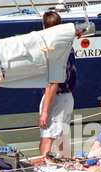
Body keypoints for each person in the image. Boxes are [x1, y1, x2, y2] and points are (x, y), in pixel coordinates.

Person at [38, 11, 77, 158]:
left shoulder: (52, 50)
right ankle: (69, 167)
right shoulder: (68, 46)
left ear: (44, 27)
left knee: (46, 145)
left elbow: (53, 83)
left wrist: (45, 112)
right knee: (62, 143)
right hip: (67, 98)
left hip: (56, 99)